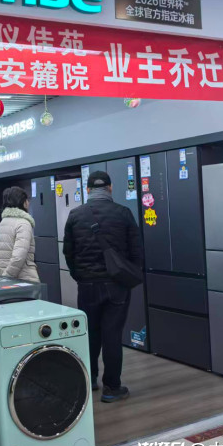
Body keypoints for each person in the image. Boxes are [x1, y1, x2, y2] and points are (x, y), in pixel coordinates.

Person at [63, 170, 142, 403]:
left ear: (87, 190)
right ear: (110, 188)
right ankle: (112, 387)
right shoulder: (123, 213)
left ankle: (90, 380)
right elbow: (137, 251)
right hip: (117, 285)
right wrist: (128, 275)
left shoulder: (75, 215)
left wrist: (80, 276)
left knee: (90, 334)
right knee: (112, 336)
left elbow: (68, 252)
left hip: (87, 284)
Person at [0, 186, 40, 282]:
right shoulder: (24, 224)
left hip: (5, 282)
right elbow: (18, 257)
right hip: (25, 280)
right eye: (27, 200)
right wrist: (6, 277)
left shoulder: (1, 224)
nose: (28, 203)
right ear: (23, 202)